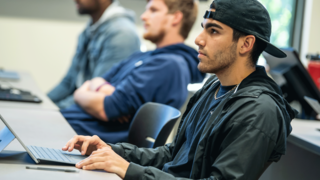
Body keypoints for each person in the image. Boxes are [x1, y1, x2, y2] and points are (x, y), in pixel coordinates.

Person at [62, 0, 299, 179]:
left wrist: (129, 171)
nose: (198, 39)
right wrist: (113, 151)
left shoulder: (258, 111)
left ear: (246, 44)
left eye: (213, 31)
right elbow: (174, 154)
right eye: (203, 28)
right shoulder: (215, 87)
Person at [60, 0, 205, 143]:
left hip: (85, 141)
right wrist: (103, 89)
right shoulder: (141, 56)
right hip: (72, 128)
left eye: (153, 10)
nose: (143, 16)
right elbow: (96, 81)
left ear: (176, 17)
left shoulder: (169, 64)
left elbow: (106, 108)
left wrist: (82, 93)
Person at [48, 0, 140, 109]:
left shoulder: (122, 34)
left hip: (92, 114)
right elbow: (68, 83)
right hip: (78, 104)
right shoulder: (91, 29)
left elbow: (95, 93)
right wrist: (41, 103)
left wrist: (54, 111)